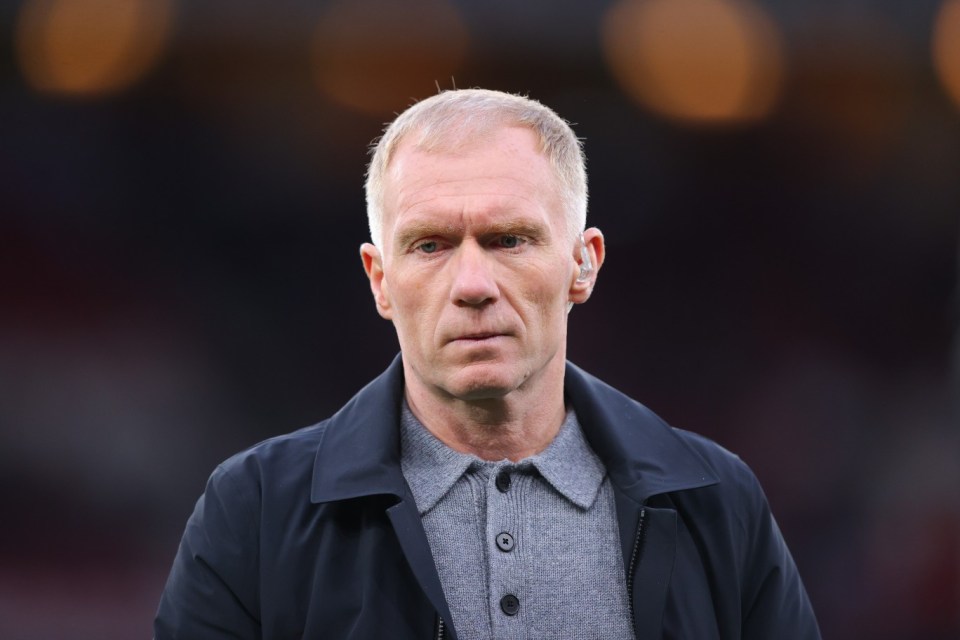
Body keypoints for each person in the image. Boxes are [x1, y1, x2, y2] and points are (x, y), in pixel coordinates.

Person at [154, 88, 820, 639]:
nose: (473, 283)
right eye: (431, 245)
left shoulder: (715, 503)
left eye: (509, 240)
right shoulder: (256, 513)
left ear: (583, 263)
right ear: (379, 279)